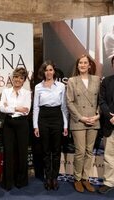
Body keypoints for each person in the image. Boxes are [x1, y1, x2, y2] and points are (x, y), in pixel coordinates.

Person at [66, 54, 100, 193]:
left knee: (89, 151)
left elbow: (101, 100)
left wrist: (98, 115)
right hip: (78, 121)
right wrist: (81, 117)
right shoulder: (72, 81)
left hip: (94, 120)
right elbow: (69, 102)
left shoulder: (97, 80)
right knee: (80, 151)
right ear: (77, 65)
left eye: (85, 63)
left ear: (89, 65)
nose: (83, 65)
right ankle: (77, 179)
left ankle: (86, 178)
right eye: (80, 63)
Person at [33, 60, 68, 191]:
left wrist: (65, 125)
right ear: (43, 72)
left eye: (50, 70)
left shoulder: (61, 86)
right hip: (43, 118)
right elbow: (36, 107)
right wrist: (35, 126)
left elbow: (64, 107)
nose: (48, 72)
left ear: (54, 71)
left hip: (57, 117)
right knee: (46, 151)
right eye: (46, 70)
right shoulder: (38, 87)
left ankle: (55, 178)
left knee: (56, 151)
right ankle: (48, 177)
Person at [0, 67, 31, 191]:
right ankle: (8, 182)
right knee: (8, 153)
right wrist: (17, 108)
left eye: (21, 78)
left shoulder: (27, 93)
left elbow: (26, 110)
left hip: (22, 124)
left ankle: (21, 181)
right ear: (13, 78)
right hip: (9, 124)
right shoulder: (6, 92)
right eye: (16, 77)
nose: (18, 80)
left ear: (24, 80)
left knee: (22, 153)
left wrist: (10, 106)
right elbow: (2, 108)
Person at [98, 55, 114, 194]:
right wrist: (109, 116)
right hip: (110, 125)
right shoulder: (106, 81)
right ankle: (109, 182)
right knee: (109, 156)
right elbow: (101, 101)